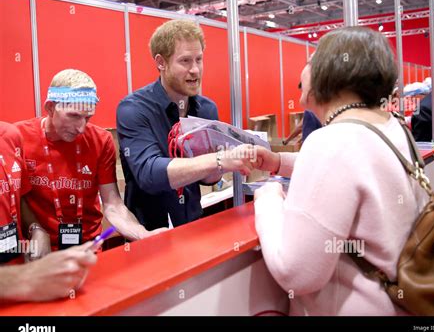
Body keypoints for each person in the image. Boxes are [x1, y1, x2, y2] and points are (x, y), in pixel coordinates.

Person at [252, 27, 428, 315]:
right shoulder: (390, 125)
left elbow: (297, 272)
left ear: (328, 73)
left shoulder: (332, 141)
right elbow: (357, 170)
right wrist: (278, 162)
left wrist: (268, 199)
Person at [116, 19, 255, 230]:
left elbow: (207, 179)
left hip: (192, 227)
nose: (195, 70)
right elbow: (149, 173)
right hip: (148, 235)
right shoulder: (133, 110)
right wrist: (218, 159)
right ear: (161, 62)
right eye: (185, 61)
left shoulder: (207, 109)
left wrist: (223, 164)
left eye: (199, 59)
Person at [16, 69, 163, 253]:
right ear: (51, 107)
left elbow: (113, 205)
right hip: (40, 252)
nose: (81, 128)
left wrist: (144, 235)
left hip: (88, 249)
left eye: (87, 117)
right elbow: (15, 198)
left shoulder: (100, 141)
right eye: (74, 116)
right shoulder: (18, 138)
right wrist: (35, 229)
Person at [0, 121, 96, 302]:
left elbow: (18, 195)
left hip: (22, 274)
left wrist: (36, 229)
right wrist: (24, 278)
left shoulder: (11, 135)